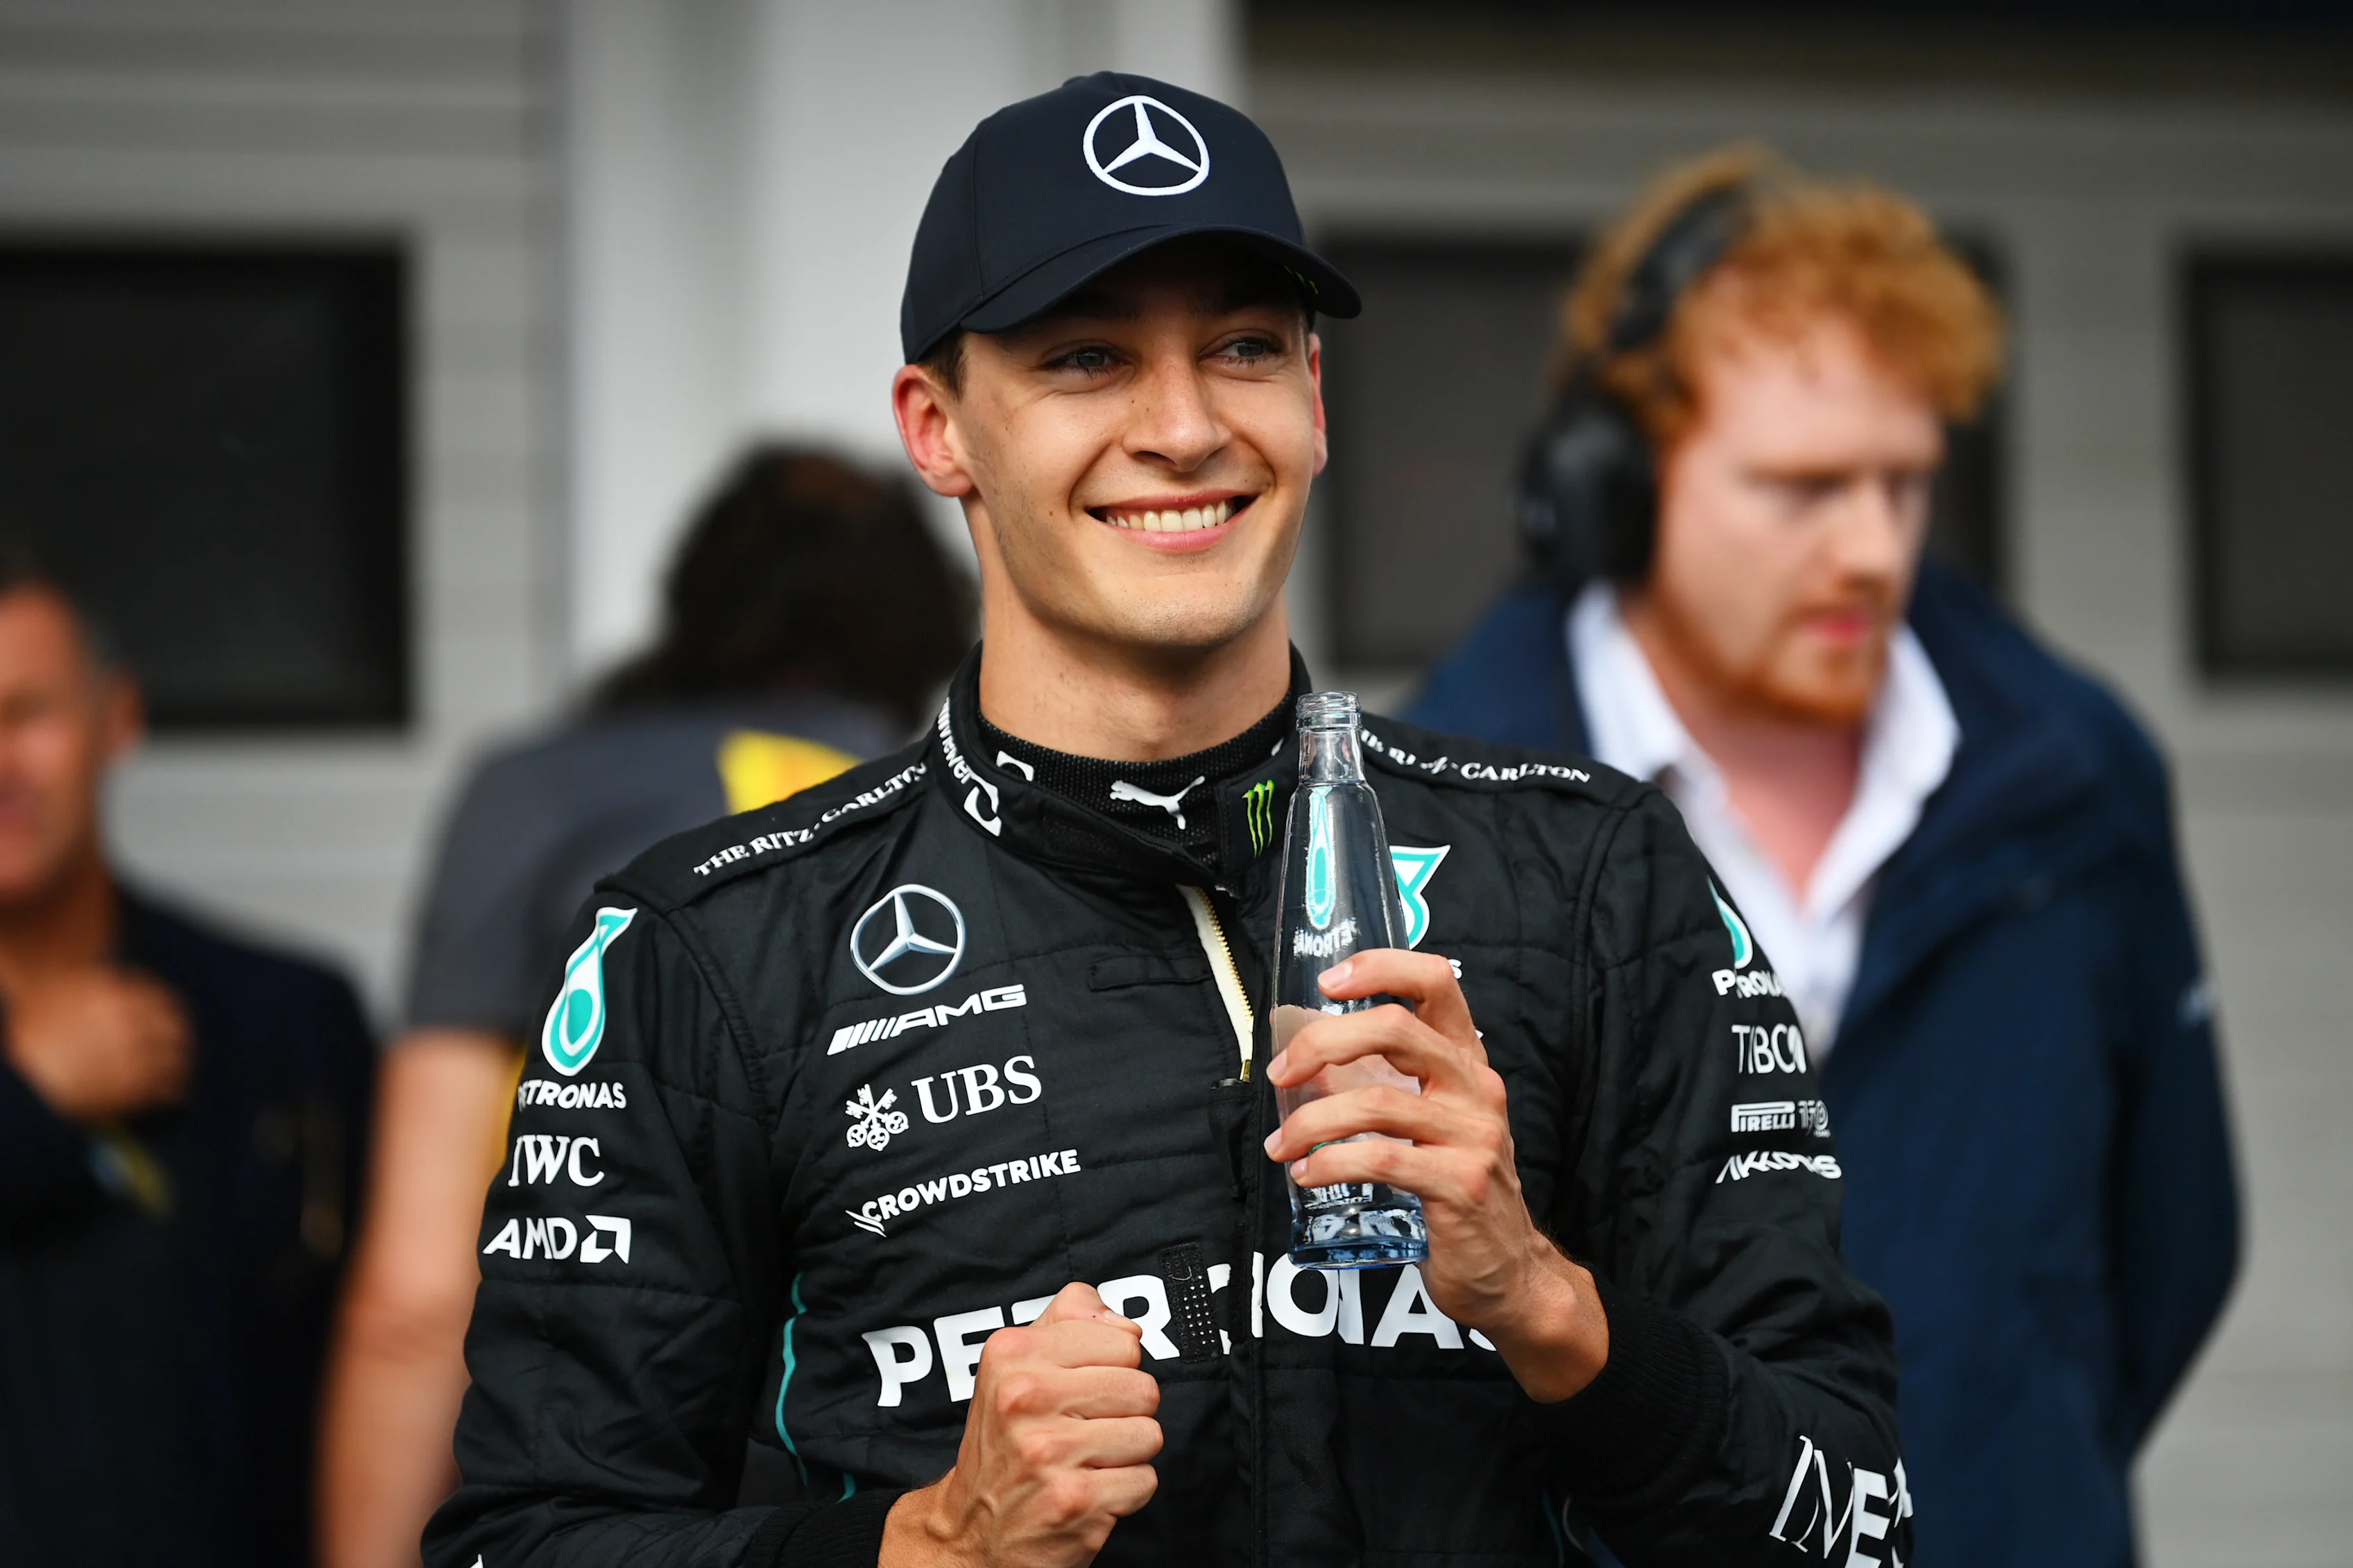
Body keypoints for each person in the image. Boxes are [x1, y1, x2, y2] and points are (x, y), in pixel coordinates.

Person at [427, 76, 1912, 1568]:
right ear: (938, 431)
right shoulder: (713, 949)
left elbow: (1860, 1522)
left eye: (1244, 348)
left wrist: (1550, 1306)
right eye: (1087, 359)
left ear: (1315, 404)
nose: (1186, 425)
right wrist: (926, 1546)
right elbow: (523, 1539)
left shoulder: (1593, 877)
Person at [1410, 147, 2239, 1567]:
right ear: (1621, 484)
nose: (1872, 547)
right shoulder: (1453, 822)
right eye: (1802, 488)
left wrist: (2013, 1466)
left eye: (1904, 483)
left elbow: (2175, 1242)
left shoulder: (2077, 776)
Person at [320, 447, 973, 1568]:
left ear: (692, 598)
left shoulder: (533, 796)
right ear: (920, 635)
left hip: (595, 1474)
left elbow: (416, 1300)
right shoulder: (943, 817)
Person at [0, 549, 375, 1567]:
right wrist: (28, 1102)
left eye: (25, 713)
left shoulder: (283, 1018)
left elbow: (387, 1347)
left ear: (116, 720)